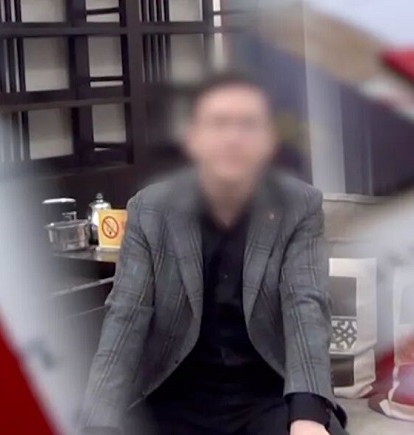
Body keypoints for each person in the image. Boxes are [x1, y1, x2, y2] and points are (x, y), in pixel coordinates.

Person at [79, 73, 347, 435]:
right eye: (219, 124)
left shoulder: (299, 206)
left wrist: (308, 417)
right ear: (193, 138)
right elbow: (125, 317)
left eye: (248, 125)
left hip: (267, 396)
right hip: (172, 395)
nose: (233, 138)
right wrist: (99, 422)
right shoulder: (150, 209)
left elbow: (306, 309)